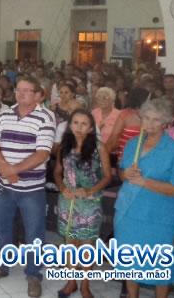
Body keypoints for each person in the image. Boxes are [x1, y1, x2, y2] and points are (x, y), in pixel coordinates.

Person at [0, 76, 56, 298]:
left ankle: (34, 274)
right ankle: (0, 265)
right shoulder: (5, 113)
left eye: (27, 90)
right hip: (4, 185)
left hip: (31, 188)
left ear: (37, 94)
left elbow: (43, 153)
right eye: (18, 90)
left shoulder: (46, 116)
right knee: (1, 228)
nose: (21, 93)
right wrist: (5, 167)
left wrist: (14, 171)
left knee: (34, 232)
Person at [115, 98, 174, 298]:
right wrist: (125, 175)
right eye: (146, 118)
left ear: (166, 123)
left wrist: (144, 182)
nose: (149, 124)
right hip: (128, 215)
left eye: (156, 120)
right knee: (130, 264)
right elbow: (122, 172)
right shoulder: (133, 143)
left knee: (161, 268)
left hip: (159, 219)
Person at [54, 109, 112, 298]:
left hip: (90, 202)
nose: (79, 127)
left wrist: (89, 190)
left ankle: (85, 285)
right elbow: (57, 172)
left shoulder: (99, 147)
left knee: (87, 245)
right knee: (70, 243)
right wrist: (62, 187)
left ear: (91, 127)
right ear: (69, 125)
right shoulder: (64, 146)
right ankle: (71, 282)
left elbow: (108, 176)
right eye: (75, 123)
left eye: (84, 124)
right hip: (68, 200)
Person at [105, 88, 150, 165]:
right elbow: (113, 139)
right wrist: (104, 161)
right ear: (141, 99)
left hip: (146, 159)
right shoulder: (125, 114)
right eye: (148, 98)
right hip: (125, 160)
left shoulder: (152, 116)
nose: (150, 101)